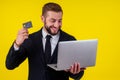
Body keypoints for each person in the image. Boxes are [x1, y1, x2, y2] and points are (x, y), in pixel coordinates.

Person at [6, 2, 85, 80]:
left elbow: (78, 76)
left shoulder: (70, 40)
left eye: (60, 21)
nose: (57, 25)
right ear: (42, 19)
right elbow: (10, 65)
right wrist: (17, 44)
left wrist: (75, 72)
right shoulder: (30, 39)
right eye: (53, 21)